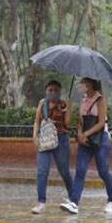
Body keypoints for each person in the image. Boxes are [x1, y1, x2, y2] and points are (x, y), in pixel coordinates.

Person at [60, 77, 112, 214]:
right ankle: (74, 202)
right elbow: (80, 121)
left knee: (103, 171)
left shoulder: (101, 100)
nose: (81, 85)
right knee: (80, 170)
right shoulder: (83, 101)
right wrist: (80, 134)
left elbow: (101, 122)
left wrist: (86, 133)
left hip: (100, 139)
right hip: (85, 141)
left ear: (90, 84)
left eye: (83, 83)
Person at [31, 80, 73, 214]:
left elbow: (67, 124)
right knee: (42, 171)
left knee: (64, 171)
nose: (53, 92)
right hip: (45, 140)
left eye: (56, 90)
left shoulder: (64, 104)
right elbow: (37, 121)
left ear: (60, 91)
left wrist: (69, 108)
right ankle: (41, 202)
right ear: (46, 91)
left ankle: (73, 199)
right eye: (50, 90)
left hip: (61, 140)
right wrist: (34, 136)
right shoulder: (42, 103)